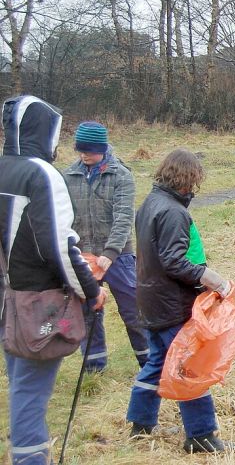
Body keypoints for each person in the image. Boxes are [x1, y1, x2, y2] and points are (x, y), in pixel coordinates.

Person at [1, 95, 107, 465]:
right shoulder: (41, 175)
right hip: (39, 303)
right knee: (31, 391)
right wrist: (91, 290)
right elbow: (61, 248)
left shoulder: (3, 167)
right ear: (43, 132)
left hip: (9, 299)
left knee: (19, 384)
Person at [126, 148, 235, 454]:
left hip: (149, 299)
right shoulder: (174, 212)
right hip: (171, 303)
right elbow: (174, 262)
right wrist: (214, 280)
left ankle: (140, 423)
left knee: (157, 361)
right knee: (191, 368)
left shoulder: (149, 203)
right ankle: (201, 436)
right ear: (188, 179)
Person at [63, 121, 149, 372]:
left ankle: (150, 363)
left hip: (118, 257)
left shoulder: (121, 175)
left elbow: (124, 217)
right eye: (80, 149)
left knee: (133, 310)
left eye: (89, 149)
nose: (83, 154)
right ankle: (93, 368)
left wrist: (110, 253)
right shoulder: (68, 176)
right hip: (85, 257)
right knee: (90, 312)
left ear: (101, 148)